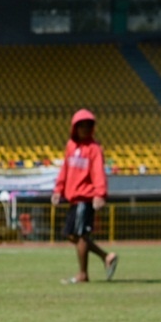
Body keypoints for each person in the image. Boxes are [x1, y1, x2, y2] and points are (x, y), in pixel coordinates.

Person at [55, 108, 117, 282]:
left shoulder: (94, 149)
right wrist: (58, 190)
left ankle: (83, 274)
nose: (85, 129)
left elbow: (98, 173)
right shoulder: (70, 146)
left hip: (86, 197)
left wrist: (100, 194)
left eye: (88, 126)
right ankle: (106, 256)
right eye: (81, 125)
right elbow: (65, 170)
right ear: (75, 128)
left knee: (81, 235)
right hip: (74, 198)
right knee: (70, 234)